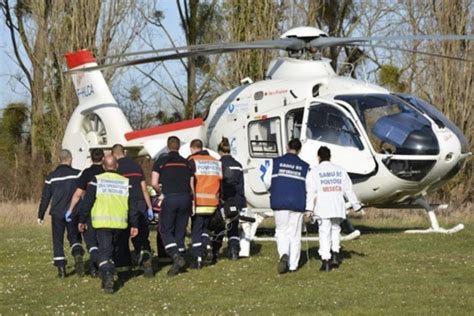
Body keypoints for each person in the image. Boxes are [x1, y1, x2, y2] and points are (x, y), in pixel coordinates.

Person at [79, 155, 139, 294]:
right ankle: (118, 273)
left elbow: (87, 201)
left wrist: (82, 220)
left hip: (102, 223)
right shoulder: (125, 182)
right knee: (116, 251)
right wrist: (134, 223)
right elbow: (132, 205)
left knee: (105, 252)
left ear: (104, 166)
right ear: (117, 166)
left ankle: (107, 276)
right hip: (121, 223)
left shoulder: (97, 180)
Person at [305, 146, 361, 272]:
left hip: (323, 206)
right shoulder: (340, 170)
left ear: (318, 157)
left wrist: (309, 209)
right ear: (330, 156)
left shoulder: (314, 171)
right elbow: (348, 189)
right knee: (336, 229)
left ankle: (326, 260)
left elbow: (311, 192)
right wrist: (356, 205)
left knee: (324, 232)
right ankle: (335, 254)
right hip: (337, 205)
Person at [264, 139, 309, 274]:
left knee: (281, 231)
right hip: (298, 203)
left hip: (280, 201)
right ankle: (293, 265)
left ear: (287, 146)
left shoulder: (275, 162)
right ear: (300, 150)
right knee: (295, 235)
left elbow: (266, 182)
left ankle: (284, 253)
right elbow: (309, 187)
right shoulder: (305, 166)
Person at [151, 136, 194, 276]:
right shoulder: (187, 163)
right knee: (180, 230)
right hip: (185, 198)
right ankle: (180, 261)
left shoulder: (161, 162)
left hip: (170, 197)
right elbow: (191, 185)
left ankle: (176, 256)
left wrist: (160, 192)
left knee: (165, 230)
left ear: (168, 146)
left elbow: (154, 182)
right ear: (179, 147)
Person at [38, 149, 84, 278]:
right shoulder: (78, 174)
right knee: (74, 236)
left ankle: (62, 270)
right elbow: (84, 193)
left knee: (57, 240)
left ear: (59, 160)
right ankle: (77, 254)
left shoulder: (51, 177)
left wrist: (40, 215)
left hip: (57, 213)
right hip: (73, 211)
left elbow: (45, 197)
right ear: (70, 160)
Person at [112, 144, 154, 278]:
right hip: (140, 203)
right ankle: (147, 264)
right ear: (124, 152)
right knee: (141, 237)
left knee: (122, 238)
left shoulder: (115, 168)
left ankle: (125, 270)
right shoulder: (136, 166)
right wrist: (150, 207)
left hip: (123, 204)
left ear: (113, 154)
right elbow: (144, 188)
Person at [66, 148, 104, 277]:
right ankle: (103, 264)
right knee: (103, 241)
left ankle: (94, 268)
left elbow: (78, 194)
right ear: (103, 158)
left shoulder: (86, 173)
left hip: (89, 211)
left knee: (91, 241)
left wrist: (70, 210)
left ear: (91, 158)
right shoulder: (106, 173)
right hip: (105, 210)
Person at [188, 139, 222, 269]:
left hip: (198, 202)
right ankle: (207, 246)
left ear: (192, 148)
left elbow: (189, 180)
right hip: (212, 202)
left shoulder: (192, 160)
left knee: (196, 230)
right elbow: (221, 179)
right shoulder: (215, 161)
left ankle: (198, 258)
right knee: (204, 229)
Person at [211, 137, 246, 261]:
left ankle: (214, 250)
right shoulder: (238, 165)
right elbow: (241, 187)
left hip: (222, 201)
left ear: (220, 151)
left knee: (219, 226)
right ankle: (234, 250)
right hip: (235, 201)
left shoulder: (217, 164)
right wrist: (242, 203)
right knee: (234, 225)